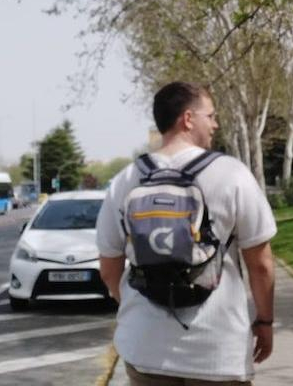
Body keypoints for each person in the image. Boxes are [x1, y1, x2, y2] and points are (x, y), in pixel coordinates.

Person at [96, 81, 277, 385]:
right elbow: (260, 264)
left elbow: (108, 269)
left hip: (145, 349)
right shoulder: (232, 174)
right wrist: (265, 321)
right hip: (217, 351)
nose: (215, 125)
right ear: (188, 118)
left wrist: (133, 303)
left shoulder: (125, 179)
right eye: (211, 116)